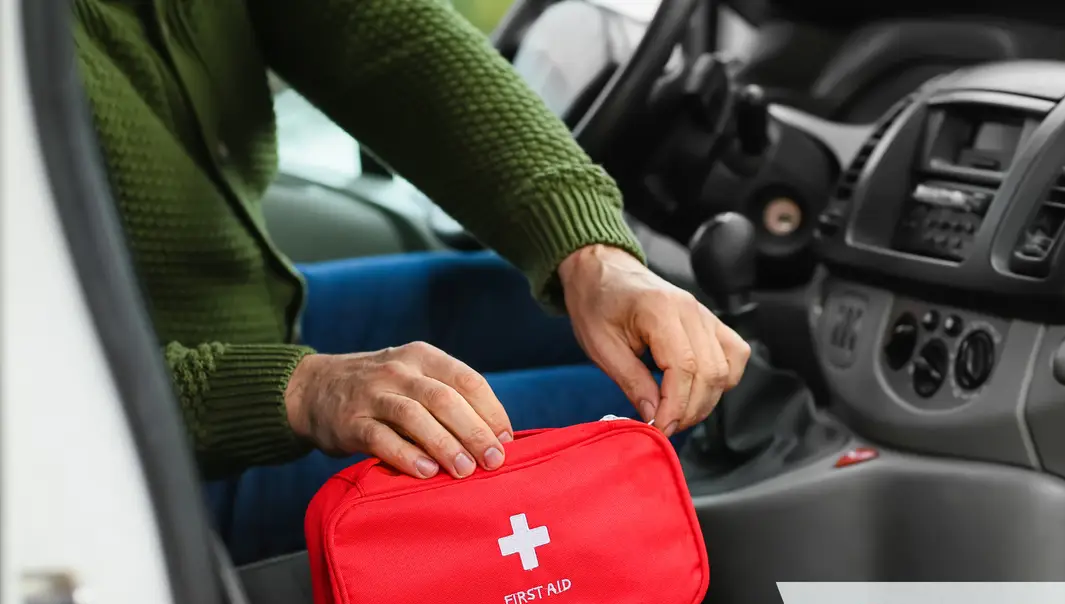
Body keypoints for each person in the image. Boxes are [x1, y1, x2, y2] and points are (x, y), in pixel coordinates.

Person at [72, 0, 749, 562]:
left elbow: (383, 37)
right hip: (154, 459)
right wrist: (304, 391)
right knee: (659, 423)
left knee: (582, 325)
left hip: (261, 314)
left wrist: (593, 254)